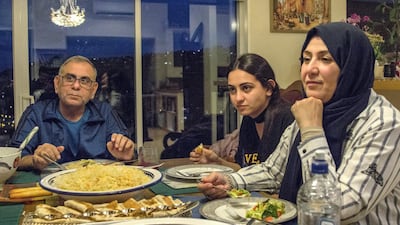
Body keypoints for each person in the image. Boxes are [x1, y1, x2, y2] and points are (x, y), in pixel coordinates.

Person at [198, 22, 400, 224]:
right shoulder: (312, 108)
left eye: (325, 59)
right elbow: (274, 171)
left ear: (351, 65)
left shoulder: (384, 124)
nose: (310, 69)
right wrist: (230, 181)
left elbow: (340, 209)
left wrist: (312, 132)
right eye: (306, 59)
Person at [10, 55, 135, 171]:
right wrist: (34, 160)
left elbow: (130, 150)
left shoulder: (105, 112)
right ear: (57, 83)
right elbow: (13, 159)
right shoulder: (36, 113)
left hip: (96, 185)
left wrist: (126, 154)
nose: (76, 86)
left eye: (84, 80)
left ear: (93, 90)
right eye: (69, 78)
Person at [190, 53, 294, 170]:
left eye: (246, 88)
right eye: (232, 90)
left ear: (269, 88)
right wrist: (217, 162)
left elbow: (277, 178)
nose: (238, 98)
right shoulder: (249, 119)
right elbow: (245, 170)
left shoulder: (288, 120)